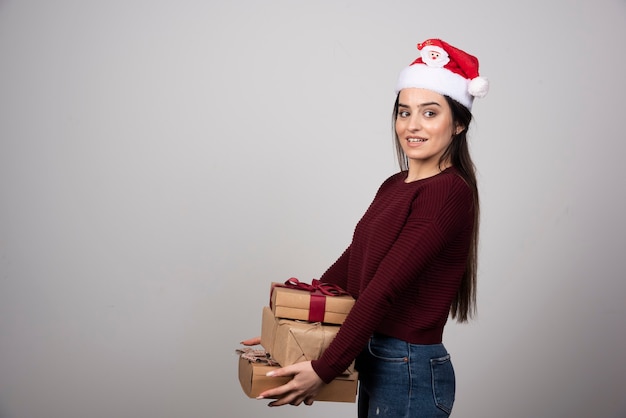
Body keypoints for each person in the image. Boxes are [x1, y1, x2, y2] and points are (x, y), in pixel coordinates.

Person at [241, 38, 488, 417]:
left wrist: (325, 367)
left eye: (430, 113)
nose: (412, 125)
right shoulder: (394, 184)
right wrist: (291, 332)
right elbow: (352, 264)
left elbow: (382, 289)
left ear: (458, 123)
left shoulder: (448, 193)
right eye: (404, 113)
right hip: (375, 355)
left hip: (408, 367)